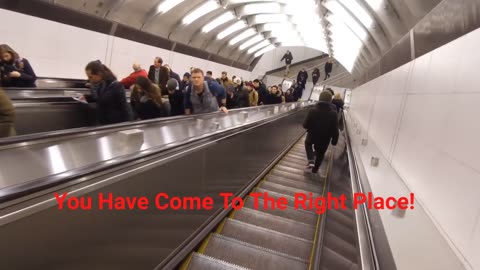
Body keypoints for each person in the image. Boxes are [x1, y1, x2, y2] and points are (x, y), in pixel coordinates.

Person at [84, 60, 132, 125]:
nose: (89, 80)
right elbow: (99, 98)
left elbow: (124, 108)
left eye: (90, 77)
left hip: (115, 125)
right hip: (105, 123)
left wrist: (128, 126)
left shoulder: (116, 86)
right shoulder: (101, 85)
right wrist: (86, 97)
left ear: (99, 73)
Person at [303, 90, 339, 175]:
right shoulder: (333, 114)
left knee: (308, 144)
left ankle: (311, 159)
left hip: (312, 135)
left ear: (320, 98)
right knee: (320, 154)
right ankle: (315, 170)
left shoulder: (312, 110)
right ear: (330, 100)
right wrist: (334, 141)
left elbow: (305, 125)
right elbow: (335, 129)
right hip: (325, 138)